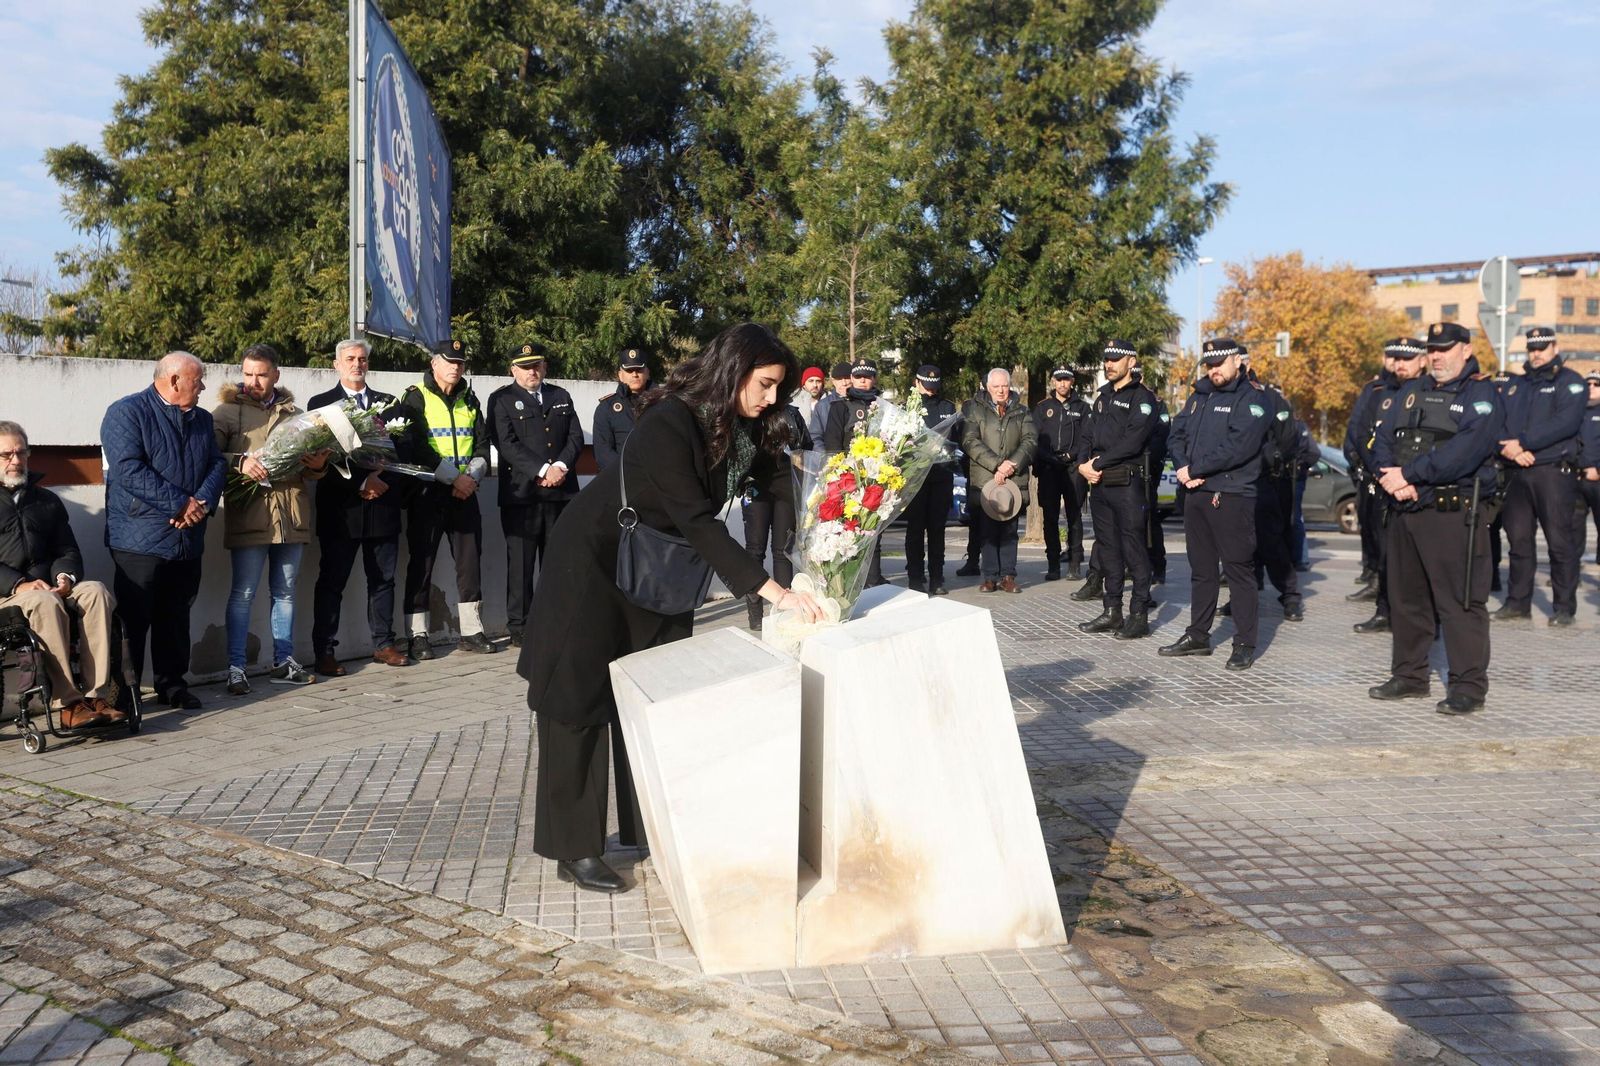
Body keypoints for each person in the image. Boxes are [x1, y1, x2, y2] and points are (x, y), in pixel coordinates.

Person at [517, 323, 824, 893]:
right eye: (764, 384)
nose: (771, 398)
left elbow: (780, 486)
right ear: (734, 371)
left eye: (778, 387)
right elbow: (697, 519)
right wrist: (775, 593)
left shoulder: (742, 427)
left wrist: (835, 527)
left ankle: (646, 828)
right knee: (577, 700)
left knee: (653, 694)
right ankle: (574, 847)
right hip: (594, 563)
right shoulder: (669, 421)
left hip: (658, 573)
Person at [1368, 321, 1502, 714]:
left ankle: (1468, 687)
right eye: (1432, 349)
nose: (1437, 356)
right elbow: (1382, 440)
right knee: (1406, 600)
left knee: (1460, 602)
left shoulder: (1482, 394)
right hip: (1405, 507)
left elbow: (1466, 451)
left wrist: (1410, 476)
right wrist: (1391, 477)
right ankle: (1410, 676)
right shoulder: (1411, 391)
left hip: (1451, 513)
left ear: (1465, 348)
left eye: (1445, 348)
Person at [100, 351, 227, 709]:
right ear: (174, 380)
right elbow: (128, 469)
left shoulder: (201, 419)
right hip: (139, 538)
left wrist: (199, 503)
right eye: (197, 380)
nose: (203, 387)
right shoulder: (126, 412)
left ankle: (172, 685)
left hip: (187, 538)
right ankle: (124, 693)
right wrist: (179, 505)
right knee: (133, 620)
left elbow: (216, 464)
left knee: (176, 616)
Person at [210, 344, 327, 695]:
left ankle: (284, 662)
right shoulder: (226, 412)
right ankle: (236, 667)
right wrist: (240, 462)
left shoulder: (296, 414)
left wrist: (318, 466)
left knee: (286, 592)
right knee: (243, 593)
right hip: (250, 514)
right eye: (248, 373)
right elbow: (209, 456)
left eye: (261, 374)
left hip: (291, 515)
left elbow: (313, 471)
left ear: (276, 374)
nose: (253, 381)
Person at [0, 422, 124, 729]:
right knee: (44, 602)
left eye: (21, 452)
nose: (16, 461)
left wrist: (65, 578)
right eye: (6, 454)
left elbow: (66, 548)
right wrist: (19, 583)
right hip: (8, 596)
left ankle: (96, 696)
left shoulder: (46, 501)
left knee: (95, 591)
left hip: (48, 588)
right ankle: (68, 703)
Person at [1159, 338, 1272, 671]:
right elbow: (1175, 434)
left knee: (1238, 571)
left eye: (1220, 363)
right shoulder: (1199, 396)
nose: (1214, 370)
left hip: (1232, 496)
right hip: (1196, 494)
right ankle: (1198, 636)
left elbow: (1240, 446)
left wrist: (1195, 469)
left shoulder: (1252, 399)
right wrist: (1183, 468)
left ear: (1237, 361)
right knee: (1202, 571)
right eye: (1209, 364)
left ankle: (1244, 642)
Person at [308, 338, 412, 674]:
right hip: (342, 510)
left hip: (382, 505)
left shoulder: (388, 403)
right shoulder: (321, 403)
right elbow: (318, 459)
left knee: (383, 579)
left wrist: (381, 481)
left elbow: (403, 453)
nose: (357, 364)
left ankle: (383, 644)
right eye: (350, 359)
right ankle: (324, 650)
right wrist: (361, 482)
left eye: (363, 359)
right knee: (332, 582)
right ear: (336, 364)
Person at [395, 339, 497, 658]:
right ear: (434, 363)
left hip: (465, 494)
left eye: (460, 362)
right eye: (450, 361)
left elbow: (483, 444)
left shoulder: (469, 398)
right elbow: (414, 446)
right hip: (428, 492)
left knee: (470, 564)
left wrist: (471, 477)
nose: (456, 367)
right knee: (421, 563)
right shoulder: (415, 397)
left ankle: (471, 631)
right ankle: (418, 635)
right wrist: (455, 477)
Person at [488, 343, 583, 648]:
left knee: (557, 562)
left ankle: (556, 620)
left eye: (537, 365)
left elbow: (575, 437)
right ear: (512, 370)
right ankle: (520, 625)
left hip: (561, 493)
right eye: (525, 366)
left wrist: (560, 466)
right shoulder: (501, 400)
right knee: (521, 565)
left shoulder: (560, 396)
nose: (532, 371)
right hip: (523, 496)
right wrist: (543, 470)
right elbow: (506, 444)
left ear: (545, 367)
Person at [1493, 326, 1585, 626]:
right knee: (1518, 542)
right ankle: (1518, 603)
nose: (1536, 353)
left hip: (1552, 472)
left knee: (1559, 542)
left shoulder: (1570, 382)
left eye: (1542, 348)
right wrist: (1510, 449)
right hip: (1516, 471)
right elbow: (1498, 419)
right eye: (1532, 348)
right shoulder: (1516, 385)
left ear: (1554, 348)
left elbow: (1565, 423)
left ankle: (1563, 607)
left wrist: (1524, 443)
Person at [1076, 341, 1158, 639]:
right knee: (1107, 548)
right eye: (1106, 359)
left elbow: (1133, 441)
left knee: (1133, 548)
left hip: (1126, 483)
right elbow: (1086, 434)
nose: (1109, 364)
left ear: (1131, 361)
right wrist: (1083, 463)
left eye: (1115, 359)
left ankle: (1139, 615)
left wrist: (1097, 462)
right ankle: (1112, 610)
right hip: (1099, 484)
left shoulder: (1143, 398)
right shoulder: (1102, 397)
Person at [1346, 338, 1427, 634]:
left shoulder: (1431, 390)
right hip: (1383, 483)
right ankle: (1385, 610)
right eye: (1395, 357)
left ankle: (1424, 617)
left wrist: (1407, 476)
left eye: (1406, 358)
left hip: (1419, 484)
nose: (1399, 363)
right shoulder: (1378, 391)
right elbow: (1360, 432)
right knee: (1385, 552)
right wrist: (1383, 474)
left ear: (1422, 360)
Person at [1242, 353, 1304, 622]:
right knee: (1240, 547)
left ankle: (1290, 596)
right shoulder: (1222, 397)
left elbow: (1289, 438)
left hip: (1264, 481)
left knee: (1272, 542)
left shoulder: (1269, 396)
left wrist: (1269, 458)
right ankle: (1243, 597)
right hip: (1234, 483)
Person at [963, 368, 1037, 593]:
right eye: (996, 387)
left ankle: (1008, 575)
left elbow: (1030, 440)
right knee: (986, 531)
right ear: (988, 387)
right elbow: (970, 441)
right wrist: (997, 464)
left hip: (1012, 480)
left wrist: (1010, 465)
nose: (1001, 391)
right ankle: (989, 576)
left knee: (1009, 530)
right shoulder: (975, 410)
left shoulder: (1022, 411)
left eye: (1004, 386)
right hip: (986, 479)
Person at [742, 403, 812, 629]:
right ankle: (755, 613)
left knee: (783, 549)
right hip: (756, 485)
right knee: (755, 549)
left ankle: (786, 609)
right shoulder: (749, 410)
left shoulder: (792, 412)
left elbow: (807, 447)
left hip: (786, 484)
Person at [823, 359, 887, 587]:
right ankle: (846, 580)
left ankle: (873, 579)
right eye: (858, 376)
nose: (862, 380)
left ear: (874, 380)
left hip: (876, 478)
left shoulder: (883, 408)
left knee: (872, 531)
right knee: (848, 529)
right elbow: (832, 446)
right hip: (848, 480)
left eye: (867, 377)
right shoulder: (839, 408)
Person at [903, 365, 959, 595]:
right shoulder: (907, 408)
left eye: (934, 386)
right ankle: (915, 577)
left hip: (941, 477)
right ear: (917, 383)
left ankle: (937, 576)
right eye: (926, 386)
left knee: (937, 530)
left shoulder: (948, 407)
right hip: (916, 478)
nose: (930, 391)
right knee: (915, 530)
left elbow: (955, 438)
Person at [1033, 366, 1090, 581]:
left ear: (1072, 381)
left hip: (1073, 468)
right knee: (1050, 517)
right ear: (1053, 382)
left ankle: (1075, 562)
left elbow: (1087, 438)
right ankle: (1053, 564)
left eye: (1066, 379)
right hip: (1049, 468)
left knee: (1074, 516)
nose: (1062, 384)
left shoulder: (1083, 408)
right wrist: (1049, 458)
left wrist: (1072, 456)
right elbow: (1034, 438)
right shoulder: (1042, 408)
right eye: (1059, 380)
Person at [591, 347, 651, 472]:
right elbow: (603, 451)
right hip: (621, 478)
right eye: (629, 370)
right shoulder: (606, 408)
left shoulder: (662, 403)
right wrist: (628, 472)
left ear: (647, 372)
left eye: (639, 370)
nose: (635, 374)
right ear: (620, 375)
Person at [1573, 373, 1600, 566]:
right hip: (1576, 478)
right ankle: (1570, 570)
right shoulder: (1575, 411)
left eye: (1596, 384)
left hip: (1598, 479)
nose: (1591, 386)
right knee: (1573, 527)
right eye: (1587, 383)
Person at [811, 361, 851, 443]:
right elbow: (815, 437)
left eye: (847, 378)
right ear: (833, 381)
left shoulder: (860, 403)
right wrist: (825, 455)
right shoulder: (822, 406)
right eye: (839, 379)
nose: (844, 383)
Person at [792, 365, 825, 434]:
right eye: (811, 381)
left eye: (818, 381)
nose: (815, 385)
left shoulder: (829, 402)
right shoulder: (793, 404)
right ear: (804, 384)